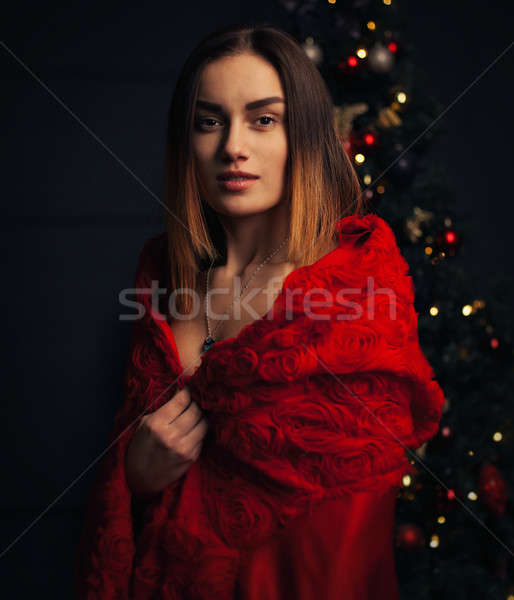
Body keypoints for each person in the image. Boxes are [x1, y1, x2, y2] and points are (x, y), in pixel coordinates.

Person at [74, 23, 445, 599]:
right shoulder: (162, 280)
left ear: (307, 136)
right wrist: (136, 475)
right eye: (209, 121)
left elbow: (350, 538)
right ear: (186, 141)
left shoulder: (355, 287)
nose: (233, 147)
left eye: (264, 119)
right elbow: (132, 490)